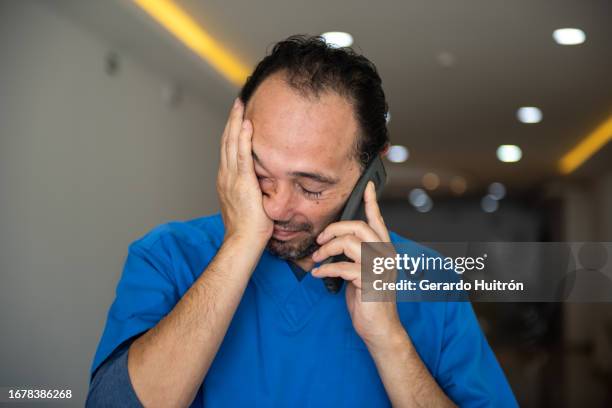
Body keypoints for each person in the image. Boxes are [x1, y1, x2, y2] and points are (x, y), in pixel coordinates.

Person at [87, 35, 517, 407]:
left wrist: (389, 341)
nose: (275, 208)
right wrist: (239, 246)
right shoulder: (167, 256)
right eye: (260, 175)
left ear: (372, 172)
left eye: (311, 187)